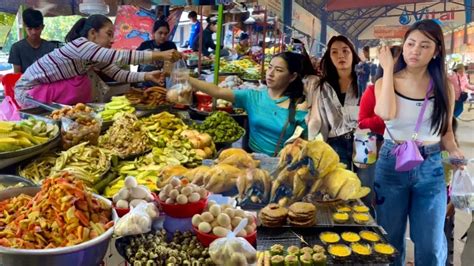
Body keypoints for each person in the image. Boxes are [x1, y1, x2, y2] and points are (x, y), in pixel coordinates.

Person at [374, 19, 464, 266]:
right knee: (388, 240)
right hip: (392, 164)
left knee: (431, 245)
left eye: (424, 46)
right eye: (410, 44)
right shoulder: (385, 82)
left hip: (432, 166)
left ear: (436, 51)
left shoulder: (444, 86)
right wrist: (389, 69)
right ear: (403, 47)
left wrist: (456, 156)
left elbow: (446, 134)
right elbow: (386, 113)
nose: (415, 50)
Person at [14, 14, 182, 108]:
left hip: (42, 92)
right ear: (93, 33)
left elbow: (118, 73)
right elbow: (119, 57)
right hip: (28, 92)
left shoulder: (92, 55)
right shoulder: (81, 45)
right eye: (109, 34)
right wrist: (160, 55)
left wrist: (147, 76)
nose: (111, 40)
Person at [183, 52, 308, 156]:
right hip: (251, 160)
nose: (271, 73)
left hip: (282, 165)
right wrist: (187, 78)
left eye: (279, 70)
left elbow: (307, 144)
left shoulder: (299, 106)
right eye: (270, 67)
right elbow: (217, 91)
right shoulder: (253, 97)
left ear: (292, 77)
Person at [305, 35, 361, 167]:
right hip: (335, 143)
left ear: (353, 54)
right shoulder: (322, 86)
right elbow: (318, 119)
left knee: (364, 183)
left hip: (363, 140)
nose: (340, 56)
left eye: (345, 51)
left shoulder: (364, 82)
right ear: (329, 57)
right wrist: (314, 146)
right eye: (334, 52)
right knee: (338, 184)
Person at [358, 46, 401, 210]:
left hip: (401, 152)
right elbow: (362, 122)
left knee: (391, 199)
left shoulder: (412, 94)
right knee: (368, 194)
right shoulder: (372, 90)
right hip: (371, 145)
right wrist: (386, 119)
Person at [8, 8, 56, 73]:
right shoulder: (16, 48)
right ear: (25, 27)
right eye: (30, 28)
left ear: (42, 27)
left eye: (37, 28)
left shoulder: (51, 48)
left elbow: (53, 72)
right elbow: (17, 75)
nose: (33, 32)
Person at [136, 20, 177, 87]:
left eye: (166, 33)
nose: (163, 36)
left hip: (163, 83)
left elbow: (176, 65)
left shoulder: (171, 46)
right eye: (160, 33)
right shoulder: (145, 45)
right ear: (154, 33)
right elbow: (135, 59)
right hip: (145, 83)